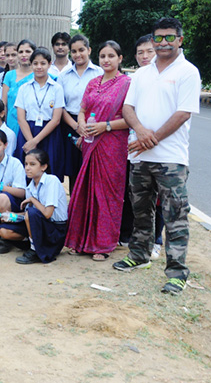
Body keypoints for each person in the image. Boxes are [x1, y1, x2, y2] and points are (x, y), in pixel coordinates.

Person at [114, 18, 201, 296]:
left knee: (175, 214)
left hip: (171, 158)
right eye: (159, 38)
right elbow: (128, 108)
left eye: (170, 37)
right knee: (141, 210)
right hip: (140, 156)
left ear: (180, 40)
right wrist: (140, 131)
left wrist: (152, 139)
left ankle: (177, 273)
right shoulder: (141, 75)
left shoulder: (188, 72)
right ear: (152, 41)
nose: (163, 42)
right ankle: (138, 255)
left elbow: (183, 113)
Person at [65, 41, 131, 261]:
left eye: (111, 56)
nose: (106, 60)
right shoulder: (93, 82)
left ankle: (102, 245)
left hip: (112, 145)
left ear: (120, 59)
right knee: (86, 190)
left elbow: (131, 118)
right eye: (103, 56)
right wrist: (81, 124)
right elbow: (82, 110)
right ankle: (80, 240)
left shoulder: (127, 84)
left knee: (106, 194)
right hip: (90, 143)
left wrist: (107, 126)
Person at [119, 34, 164, 257]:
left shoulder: (167, 76)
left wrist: (148, 137)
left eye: (149, 51)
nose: (145, 56)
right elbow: (128, 109)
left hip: (160, 148)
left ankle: (157, 241)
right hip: (134, 147)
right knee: (136, 196)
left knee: (160, 199)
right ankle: (137, 240)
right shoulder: (136, 78)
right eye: (140, 52)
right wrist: (138, 133)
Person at [59, 34, 103, 190]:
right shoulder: (63, 76)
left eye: (81, 50)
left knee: (93, 170)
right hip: (70, 124)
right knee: (73, 172)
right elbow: (60, 106)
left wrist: (86, 129)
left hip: (94, 125)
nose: (78, 54)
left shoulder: (99, 73)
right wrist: (76, 127)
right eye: (74, 51)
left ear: (89, 50)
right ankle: (74, 209)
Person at [14, 48, 65, 179]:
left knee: (50, 170)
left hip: (49, 134)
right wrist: (30, 141)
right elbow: (21, 118)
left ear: (49, 64)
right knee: (27, 171)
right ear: (31, 65)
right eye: (35, 63)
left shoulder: (56, 88)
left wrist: (35, 141)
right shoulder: (24, 88)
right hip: (27, 132)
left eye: (43, 63)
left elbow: (56, 119)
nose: (39, 67)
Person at [13, 149, 68, 264]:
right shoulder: (30, 186)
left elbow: (47, 214)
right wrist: (13, 216)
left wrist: (33, 199)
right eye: (26, 164)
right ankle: (33, 244)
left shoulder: (51, 180)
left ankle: (35, 250)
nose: (27, 168)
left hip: (56, 230)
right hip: (42, 225)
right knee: (4, 230)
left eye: (32, 164)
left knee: (31, 212)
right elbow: (29, 215)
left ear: (43, 167)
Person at [0, 40, 35, 136]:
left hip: (32, 124)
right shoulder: (9, 75)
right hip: (11, 124)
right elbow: (4, 103)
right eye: (21, 52)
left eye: (28, 52)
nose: (24, 55)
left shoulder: (40, 75)